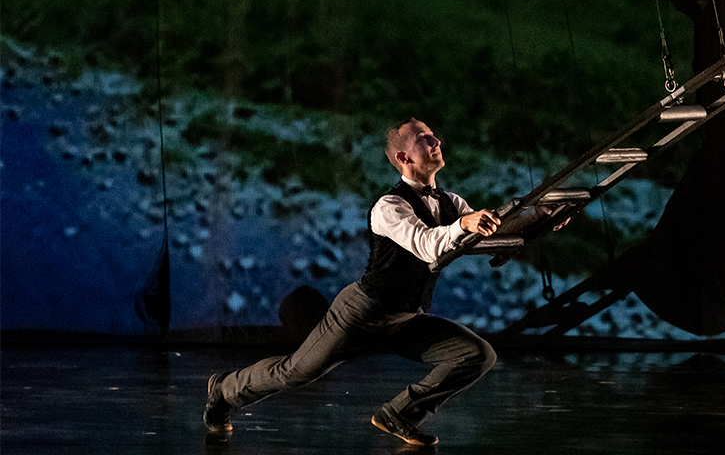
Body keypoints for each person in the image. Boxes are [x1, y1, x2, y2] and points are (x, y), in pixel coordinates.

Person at [203, 118, 503, 446]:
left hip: (406, 318)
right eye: (424, 138)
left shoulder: (452, 204)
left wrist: (541, 219)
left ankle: (400, 414)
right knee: (296, 372)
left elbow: (485, 239)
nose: (435, 142)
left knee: (476, 354)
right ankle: (223, 390)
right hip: (361, 314)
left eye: (434, 136)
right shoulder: (389, 206)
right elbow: (427, 244)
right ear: (403, 158)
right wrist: (464, 225)